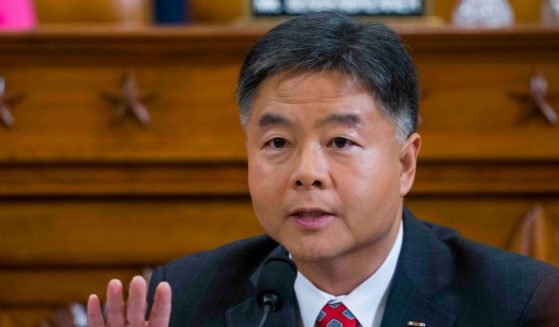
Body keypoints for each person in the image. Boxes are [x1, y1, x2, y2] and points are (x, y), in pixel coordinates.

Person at [87, 12, 559, 327]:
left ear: (405, 163)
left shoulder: (518, 304)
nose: (307, 173)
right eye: (277, 142)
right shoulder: (184, 300)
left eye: (340, 142)